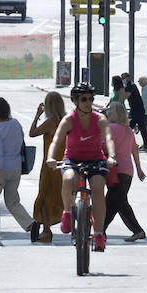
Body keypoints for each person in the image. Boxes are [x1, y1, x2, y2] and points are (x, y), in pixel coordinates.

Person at [47, 81, 117, 253]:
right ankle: (67, 213)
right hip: (73, 159)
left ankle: (99, 234)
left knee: (98, 187)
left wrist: (112, 156)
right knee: (69, 178)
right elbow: (56, 140)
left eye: (91, 99)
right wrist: (50, 157)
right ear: (75, 101)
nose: (88, 102)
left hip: (95, 160)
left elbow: (109, 139)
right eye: (84, 99)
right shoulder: (68, 120)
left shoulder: (100, 119)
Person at [0, 96, 38, 245]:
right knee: (13, 201)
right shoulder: (16, 124)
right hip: (16, 167)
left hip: (0, 170)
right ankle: (30, 224)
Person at [103, 102, 146, 241]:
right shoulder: (128, 130)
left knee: (112, 203)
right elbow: (135, 150)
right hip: (128, 171)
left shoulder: (110, 128)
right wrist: (139, 169)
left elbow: (103, 146)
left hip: (115, 170)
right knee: (119, 202)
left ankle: (100, 231)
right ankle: (137, 231)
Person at [29, 92, 65, 243]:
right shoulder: (66, 120)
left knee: (44, 197)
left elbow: (32, 133)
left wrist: (37, 115)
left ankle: (46, 230)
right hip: (65, 164)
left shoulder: (50, 122)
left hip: (50, 165)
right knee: (62, 197)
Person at [121, 71, 147, 151]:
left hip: (138, 110)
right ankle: (145, 145)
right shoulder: (128, 86)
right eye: (122, 78)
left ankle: (146, 146)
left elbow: (126, 96)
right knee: (129, 127)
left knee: (140, 128)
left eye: (124, 78)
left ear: (128, 78)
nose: (123, 80)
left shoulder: (131, 86)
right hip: (134, 110)